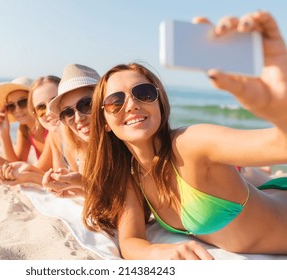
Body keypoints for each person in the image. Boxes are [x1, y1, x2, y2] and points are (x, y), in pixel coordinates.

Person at [83, 10, 287, 259]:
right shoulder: (132, 174)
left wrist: (279, 111)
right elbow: (131, 240)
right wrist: (159, 252)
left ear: (159, 103)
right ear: (104, 121)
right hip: (269, 195)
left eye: (144, 93)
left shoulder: (190, 143)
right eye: (116, 101)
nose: (132, 104)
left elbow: (281, 145)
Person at [0, 64, 100, 197]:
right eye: (41, 108)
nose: (49, 112)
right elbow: (62, 184)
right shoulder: (54, 136)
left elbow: (93, 190)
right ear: (34, 114)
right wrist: (27, 172)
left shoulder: (87, 134)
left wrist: (29, 175)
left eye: (54, 103)